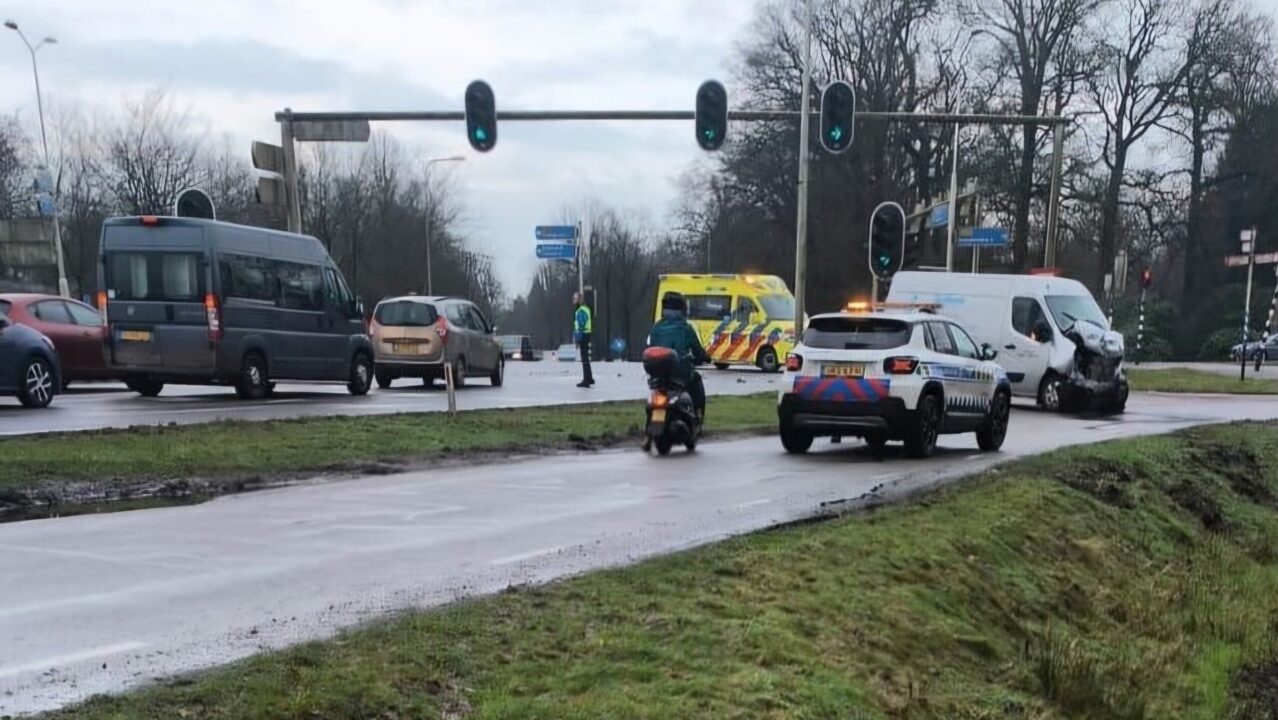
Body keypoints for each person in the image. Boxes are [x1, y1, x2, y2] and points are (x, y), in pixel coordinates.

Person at [647, 291, 709, 422]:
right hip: (680, 373)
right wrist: (703, 357)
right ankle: (697, 414)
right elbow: (696, 349)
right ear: (682, 309)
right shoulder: (685, 328)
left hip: (658, 376)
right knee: (696, 380)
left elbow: (650, 348)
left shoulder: (656, 327)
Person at [573, 292, 594, 388]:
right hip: (587, 333)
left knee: (584, 358)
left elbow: (581, 323)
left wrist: (578, 338)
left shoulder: (580, 310)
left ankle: (586, 380)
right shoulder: (586, 308)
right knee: (586, 358)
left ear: (580, 299)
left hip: (583, 335)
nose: (573, 300)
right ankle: (589, 378)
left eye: (575, 298)